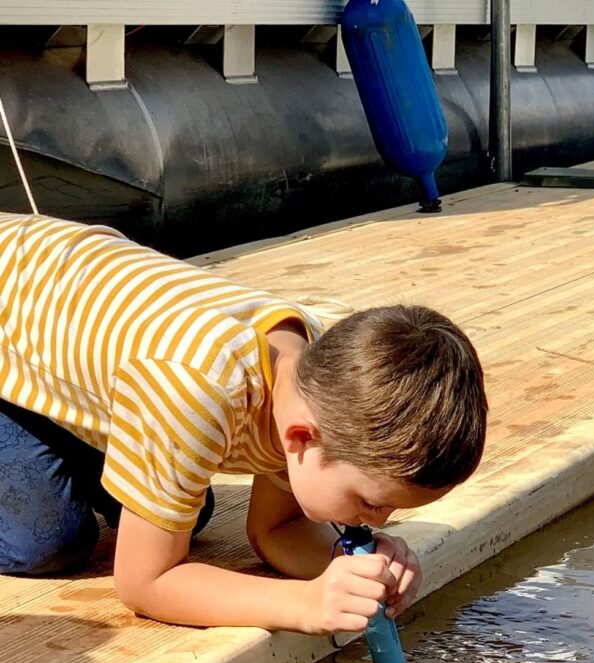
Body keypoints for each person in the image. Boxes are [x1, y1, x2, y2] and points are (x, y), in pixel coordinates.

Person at [0, 212, 487, 635]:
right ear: (301, 437)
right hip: (14, 310)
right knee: (50, 542)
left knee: (187, 513)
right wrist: (305, 605)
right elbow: (144, 583)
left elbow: (274, 530)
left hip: (55, 316)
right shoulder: (196, 387)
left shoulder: (321, 378)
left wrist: (348, 567)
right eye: (371, 503)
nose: (378, 521)